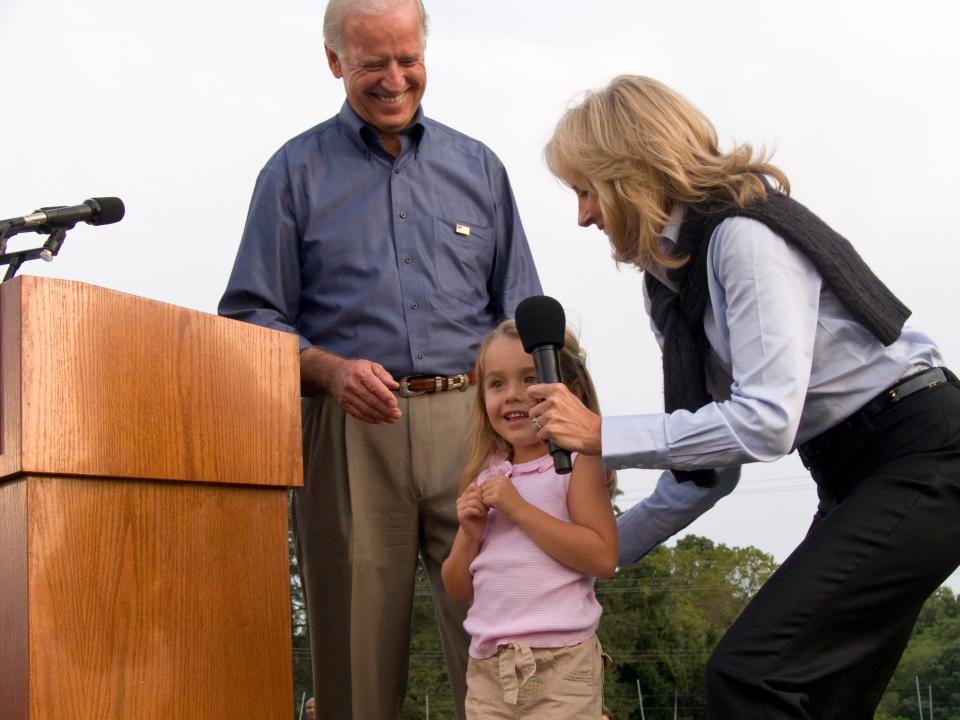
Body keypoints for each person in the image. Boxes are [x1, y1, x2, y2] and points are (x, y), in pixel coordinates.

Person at [534, 74, 960, 720]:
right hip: (853, 472)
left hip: (924, 454)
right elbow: (703, 476)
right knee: (818, 699)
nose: (583, 215)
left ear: (633, 174)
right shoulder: (670, 285)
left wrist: (602, 436)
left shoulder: (744, 237)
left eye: (586, 190)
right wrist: (589, 558)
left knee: (753, 674)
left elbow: (764, 424)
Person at [218, 0, 541, 717]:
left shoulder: (479, 168)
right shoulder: (292, 174)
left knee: (505, 648)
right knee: (355, 667)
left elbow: (520, 313)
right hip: (348, 433)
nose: (395, 79)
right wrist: (329, 370)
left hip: (476, 432)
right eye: (373, 63)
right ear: (335, 62)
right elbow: (249, 315)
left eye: (409, 59)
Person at [441, 320, 618, 719]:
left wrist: (519, 510)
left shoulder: (576, 464)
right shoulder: (486, 475)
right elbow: (455, 588)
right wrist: (469, 537)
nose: (514, 396)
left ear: (567, 391)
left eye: (531, 379)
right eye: (497, 384)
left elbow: (603, 557)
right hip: (488, 669)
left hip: (562, 665)